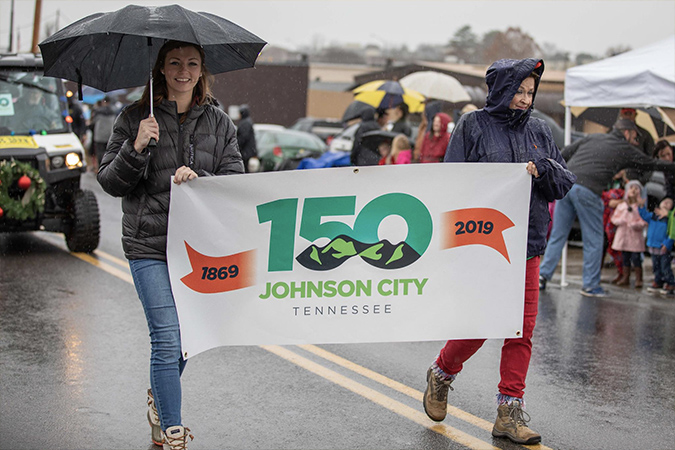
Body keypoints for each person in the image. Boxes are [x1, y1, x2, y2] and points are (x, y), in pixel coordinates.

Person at [97, 40, 244, 449]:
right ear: (161, 68)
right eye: (175, 62)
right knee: (166, 336)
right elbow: (109, 182)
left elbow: (234, 182)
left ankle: (158, 403)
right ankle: (173, 431)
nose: (184, 71)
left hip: (196, 248)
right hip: (148, 244)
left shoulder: (220, 124)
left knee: (186, 337)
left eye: (192, 64)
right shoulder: (133, 119)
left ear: (202, 72)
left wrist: (200, 180)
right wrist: (137, 147)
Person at [423, 58, 576, 446]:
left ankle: (509, 410)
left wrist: (543, 169)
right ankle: (442, 373)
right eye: (518, 90)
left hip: (527, 245)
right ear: (501, 88)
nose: (525, 99)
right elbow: (452, 181)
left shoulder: (541, 129)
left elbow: (563, 182)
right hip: (484, 246)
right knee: (484, 323)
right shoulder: (473, 125)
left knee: (521, 329)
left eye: (530, 92)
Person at [538, 119, 675, 297]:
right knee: (594, 239)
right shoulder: (623, 147)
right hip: (588, 190)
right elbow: (650, 163)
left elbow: (565, 152)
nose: (635, 140)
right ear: (626, 133)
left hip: (567, 186)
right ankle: (590, 286)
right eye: (634, 136)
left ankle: (543, 275)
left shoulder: (593, 137)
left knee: (558, 234)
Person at [610, 180, 648, 288]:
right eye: (632, 188)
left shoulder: (640, 207)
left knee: (636, 258)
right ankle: (625, 277)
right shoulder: (622, 205)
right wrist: (621, 220)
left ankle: (639, 278)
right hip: (624, 236)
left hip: (635, 236)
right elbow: (614, 218)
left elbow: (644, 220)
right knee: (625, 257)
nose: (634, 190)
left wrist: (636, 224)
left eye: (636, 188)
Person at [640, 196, 675, 294]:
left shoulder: (669, 220)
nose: (666, 204)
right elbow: (643, 215)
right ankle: (658, 281)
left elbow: (671, 234)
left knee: (665, 266)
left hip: (663, 247)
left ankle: (670, 283)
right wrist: (641, 206)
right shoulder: (653, 216)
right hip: (653, 245)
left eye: (669, 203)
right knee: (656, 265)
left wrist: (667, 244)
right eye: (665, 201)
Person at [90, 97, 117, 169]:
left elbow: (92, 123)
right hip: (109, 136)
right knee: (109, 153)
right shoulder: (114, 111)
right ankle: (108, 167)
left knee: (100, 153)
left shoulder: (98, 112)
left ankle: (101, 167)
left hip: (99, 136)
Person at [236, 104, 258, 172]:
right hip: (248, 150)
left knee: (245, 168)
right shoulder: (247, 122)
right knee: (246, 168)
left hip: (245, 151)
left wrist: (237, 145)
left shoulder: (245, 123)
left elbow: (243, 137)